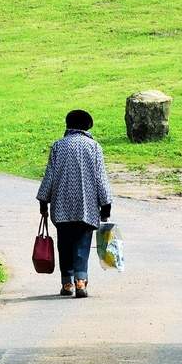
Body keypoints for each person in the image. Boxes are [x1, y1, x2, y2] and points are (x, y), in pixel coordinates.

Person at [36, 109, 114, 299]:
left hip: (61, 207)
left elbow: (50, 176)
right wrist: (106, 204)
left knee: (64, 243)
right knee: (82, 243)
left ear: (68, 125)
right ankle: (81, 281)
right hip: (86, 207)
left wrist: (43, 201)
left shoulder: (58, 146)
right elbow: (100, 178)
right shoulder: (94, 147)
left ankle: (67, 283)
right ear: (88, 126)